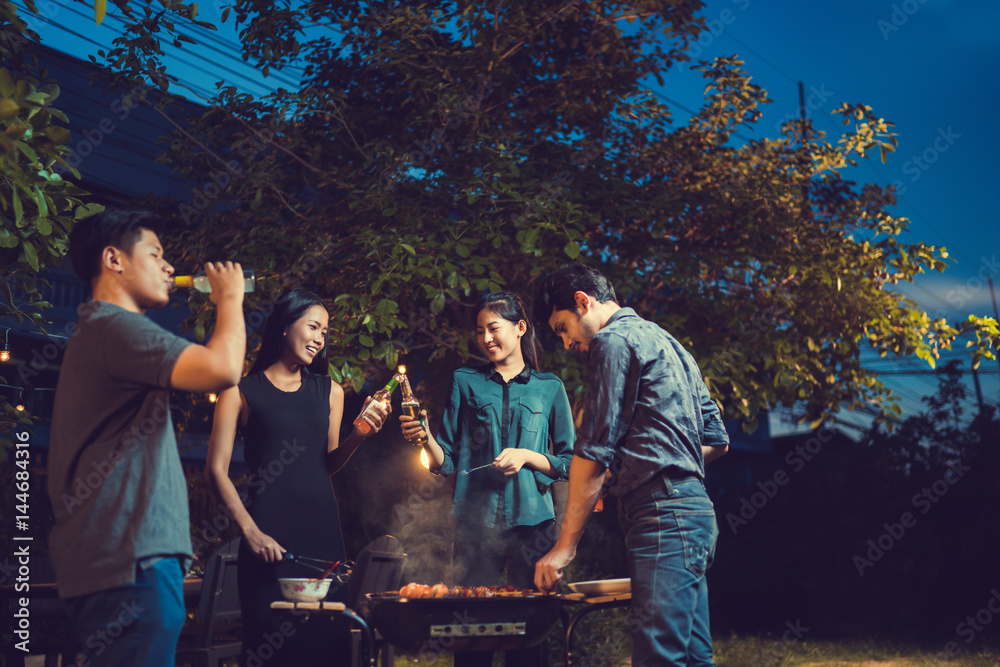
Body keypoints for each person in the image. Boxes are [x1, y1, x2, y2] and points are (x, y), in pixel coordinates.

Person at [47, 208, 247, 667]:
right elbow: (222, 369)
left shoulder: (102, 332)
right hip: (129, 561)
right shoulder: (115, 327)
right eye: (155, 254)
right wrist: (230, 299)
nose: (169, 267)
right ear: (114, 260)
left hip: (121, 561)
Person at [531, 263, 730, 667]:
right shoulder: (671, 344)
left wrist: (564, 547)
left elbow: (595, 450)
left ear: (582, 302)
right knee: (693, 658)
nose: (567, 342)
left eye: (562, 328)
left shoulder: (613, 342)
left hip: (661, 516)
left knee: (659, 659)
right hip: (693, 515)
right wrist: (641, 467)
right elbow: (716, 441)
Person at [205, 287, 389, 666]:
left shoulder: (330, 392)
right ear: (286, 326)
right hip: (267, 540)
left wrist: (359, 435)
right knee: (270, 647)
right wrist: (251, 532)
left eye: (325, 332)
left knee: (327, 646)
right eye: (314, 327)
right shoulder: (239, 393)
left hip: (321, 541)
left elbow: (327, 465)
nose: (320, 339)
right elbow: (215, 470)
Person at [400, 291, 575, 667]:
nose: (486, 339)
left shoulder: (550, 387)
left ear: (520, 328)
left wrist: (528, 456)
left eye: (493, 328)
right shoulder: (466, 381)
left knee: (529, 635)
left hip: (534, 525)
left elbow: (569, 461)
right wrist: (425, 436)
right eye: (480, 332)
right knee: (472, 634)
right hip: (475, 523)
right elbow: (446, 460)